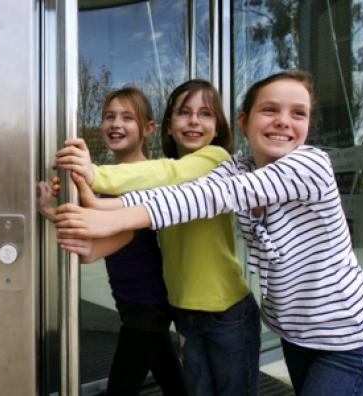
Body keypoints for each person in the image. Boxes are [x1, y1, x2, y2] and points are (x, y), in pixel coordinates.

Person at [55, 71, 363, 396]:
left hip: (349, 339)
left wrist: (99, 183)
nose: (284, 120)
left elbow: (211, 196)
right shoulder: (238, 167)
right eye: (270, 109)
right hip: (297, 335)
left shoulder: (309, 165)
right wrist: (98, 206)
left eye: (298, 113)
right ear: (244, 122)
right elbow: (177, 196)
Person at [55, 80, 261, 396]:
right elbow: (131, 204)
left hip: (226, 310)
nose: (194, 121)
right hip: (184, 310)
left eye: (205, 114)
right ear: (167, 125)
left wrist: (95, 174)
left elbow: (165, 174)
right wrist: (78, 196)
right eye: (184, 112)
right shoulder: (173, 171)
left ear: (218, 126)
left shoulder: (216, 159)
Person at [39, 86, 186, 396]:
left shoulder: (147, 174)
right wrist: (50, 210)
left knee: (121, 388)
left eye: (127, 118)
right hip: (130, 299)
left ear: (147, 128)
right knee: (172, 380)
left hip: (148, 303)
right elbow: (93, 224)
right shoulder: (109, 175)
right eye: (109, 116)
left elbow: (122, 230)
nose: (116, 124)